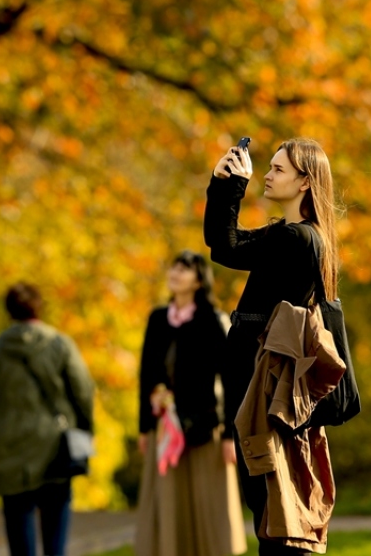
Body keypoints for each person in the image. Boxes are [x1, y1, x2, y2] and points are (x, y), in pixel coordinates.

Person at [205, 137, 342, 555]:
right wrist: (222, 184)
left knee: (274, 507)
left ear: (305, 182)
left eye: (278, 169)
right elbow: (224, 245)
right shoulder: (291, 235)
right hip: (263, 383)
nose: (267, 174)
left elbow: (226, 247)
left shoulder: (298, 240)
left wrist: (231, 187)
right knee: (271, 503)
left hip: (267, 388)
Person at [0, 283, 96, 556]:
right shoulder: (60, 344)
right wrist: (85, 428)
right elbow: (82, 391)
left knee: (17, 517)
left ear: (9, 311)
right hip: (55, 446)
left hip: (7, 446)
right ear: (40, 306)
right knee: (55, 518)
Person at [134, 251, 246, 556]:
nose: (175, 273)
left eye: (184, 269)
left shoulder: (213, 320)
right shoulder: (158, 319)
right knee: (169, 506)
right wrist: (145, 426)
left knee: (210, 507)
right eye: (174, 267)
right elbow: (146, 375)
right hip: (167, 429)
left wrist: (229, 436)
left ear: (199, 280)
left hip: (206, 429)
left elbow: (232, 379)